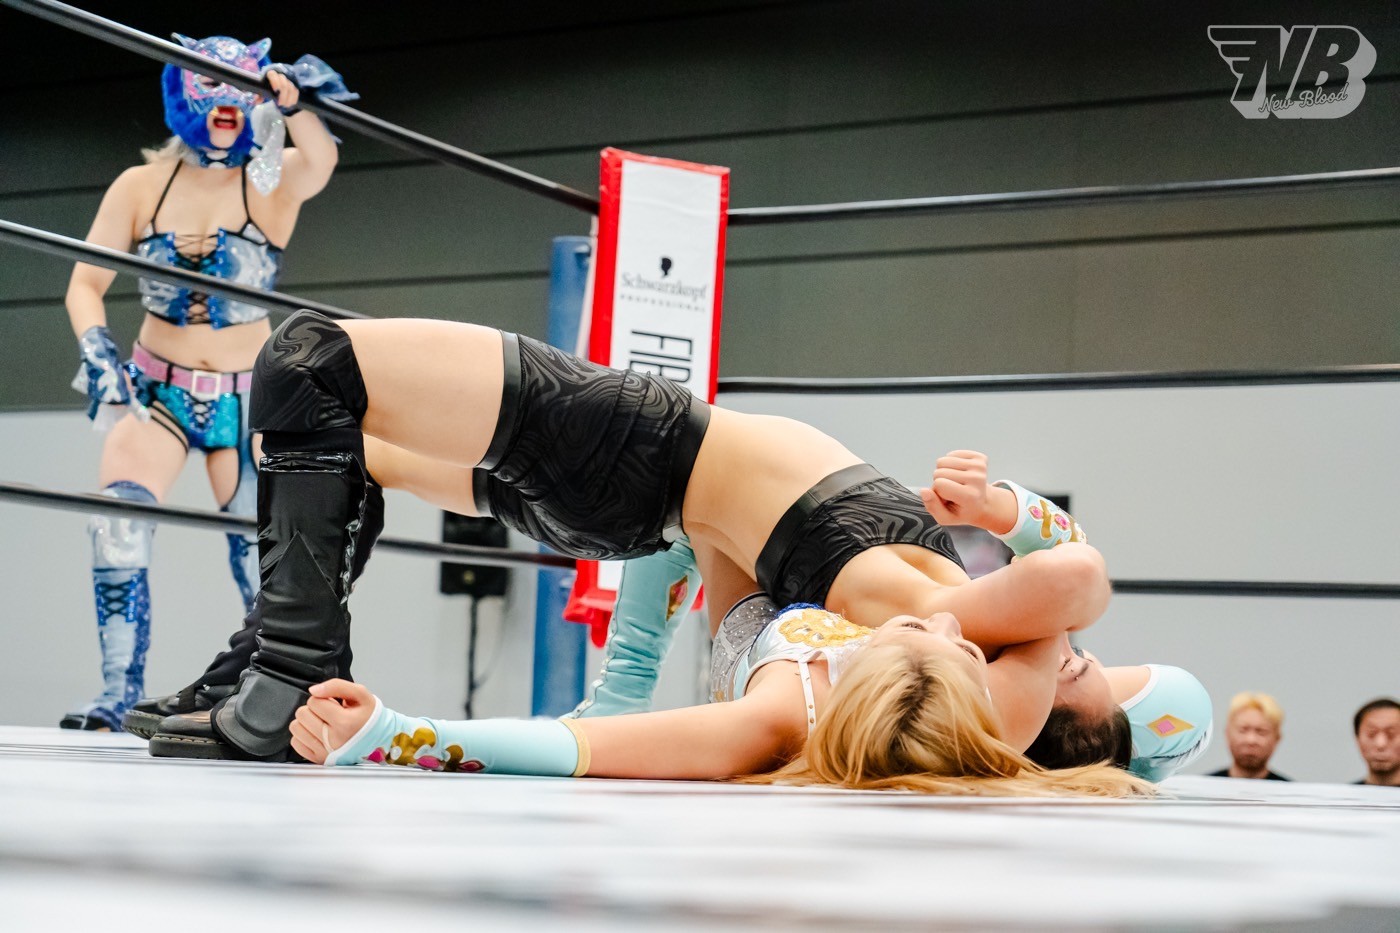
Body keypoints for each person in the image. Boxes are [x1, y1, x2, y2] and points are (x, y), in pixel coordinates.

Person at [146, 310, 1147, 796]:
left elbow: (1078, 578)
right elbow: (685, 566)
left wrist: (1008, 514)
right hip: (646, 501)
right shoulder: (854, 668)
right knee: (353, 447)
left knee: (312, 363)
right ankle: (255, 667)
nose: (1076, 650)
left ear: (1023, 693)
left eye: (1076, 667)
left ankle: (287, 670)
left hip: (642, 448)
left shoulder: (923, 638)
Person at [63, 34, 355, 730]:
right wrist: (97, 351)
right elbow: (84, 282)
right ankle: (117, 692)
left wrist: (296, 104)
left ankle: (270, 696)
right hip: (156, 388)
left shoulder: (270, 179)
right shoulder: (142, 186)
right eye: (211, 89)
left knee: (270, 558)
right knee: (117, 523)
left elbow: (322, 159)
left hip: (250, 396)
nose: (226, 107)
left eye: (238, 93)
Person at [1208, 692, 1289, 781]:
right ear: (1227, 734)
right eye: (1243, 730)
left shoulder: (1288, 789)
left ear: (1277, 738)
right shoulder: (1205, 786)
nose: (1250, 740)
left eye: (1261, 732)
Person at [1352, 698, 1400, 787]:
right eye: (1371, 734)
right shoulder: (1344, 794)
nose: (1380, 744)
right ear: (1357, 738)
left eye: (1391, 734)